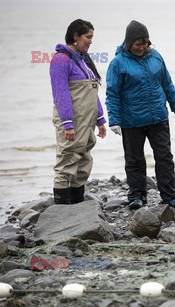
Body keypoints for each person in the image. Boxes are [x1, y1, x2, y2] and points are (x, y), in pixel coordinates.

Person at [106, 20, 175, 209]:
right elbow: (112, 93)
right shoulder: (118, 63)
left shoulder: (156, 57)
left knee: (164, 157)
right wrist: (114, 120)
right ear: (129, 43)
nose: (142, 48)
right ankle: (137, 196)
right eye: (137, 44)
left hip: (158, 117)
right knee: (135, 160)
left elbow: (167, 82)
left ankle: (169, 195)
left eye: (145, 43)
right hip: (131, 121)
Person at [50, 19, 107, 205]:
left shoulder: (83, 60)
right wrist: (67, 123)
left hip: (87, 121)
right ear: (75, 36)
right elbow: (61, 92)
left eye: (92, 37)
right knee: (68, 158)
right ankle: (61, 210)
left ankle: (77, 204)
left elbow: (92, 92)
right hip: (72, 121)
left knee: (83, 158)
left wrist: (100, 119)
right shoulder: (60, 59)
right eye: (88, 37)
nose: (91, 41)